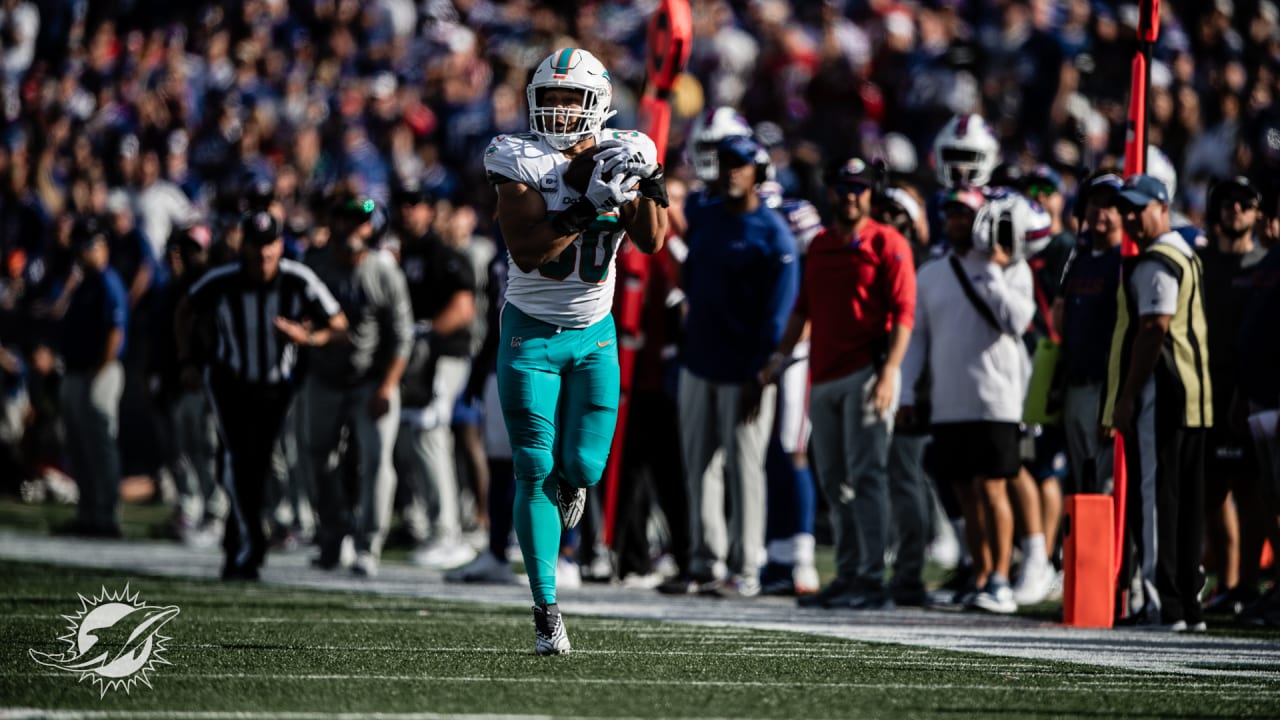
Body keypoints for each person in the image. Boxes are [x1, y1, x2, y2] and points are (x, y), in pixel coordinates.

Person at [483, 47, 668, 655]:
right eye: (551, 98)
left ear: (598, 103)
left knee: (585, 467)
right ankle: (546, 608)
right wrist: (590, 203)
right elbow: (530, 251)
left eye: (571, 98)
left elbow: (653, 242)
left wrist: (648, 185)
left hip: (594, 334)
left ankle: (575, 480)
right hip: (530, 333)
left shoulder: (623, 148)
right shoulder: (518, 159)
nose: (560, 110)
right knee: (532, 467)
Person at [762, 157, 916, 610]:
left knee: (867, 475)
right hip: (824, 375)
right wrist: (779, 357)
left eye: (860, 188)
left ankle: (872, 577)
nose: (852, 196)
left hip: (867, 372)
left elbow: (904, 313)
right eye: (845, 187)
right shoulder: (824, 244)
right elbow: (803, 309)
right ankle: (849, 574)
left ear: (871, 194)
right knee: (832, 478)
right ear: (832, 192)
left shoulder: (888, 243)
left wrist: (890, 372)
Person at [175, 211, 347, 580]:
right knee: (239, 462)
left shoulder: (298, 279)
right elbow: (185, 310)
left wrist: (308, 339)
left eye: (269, 245)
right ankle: (249, 542)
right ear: (245, 247)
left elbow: (340, 327)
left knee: (255, 465)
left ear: (279, 245)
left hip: (275, 387)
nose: (262, 255)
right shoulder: (223, 281)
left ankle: (240, 543)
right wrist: (187, 360)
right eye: (255, 247)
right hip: (230, 381)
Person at [902, 191, 1038, 614]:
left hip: (997, 399)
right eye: (950, 212)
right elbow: (917, 339)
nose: (955, 220)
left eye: (964, 213)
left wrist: (994, 272)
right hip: (949, 401)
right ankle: (980, 573)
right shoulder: (931, 275)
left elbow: (1017, 321)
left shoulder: (1013, 268)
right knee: (965, 493)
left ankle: (1001, 577)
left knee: (993, 488)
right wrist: (906, 391)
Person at [677, 135, 798, 599]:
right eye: (725, 163)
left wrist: (761, 373)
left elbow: (778, 313)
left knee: (745, 467)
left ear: (758, 172)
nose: (731, 172)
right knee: (698, 466)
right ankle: (705, 561)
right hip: (699, 358)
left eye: (741, 165)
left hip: (745, 367)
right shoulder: (705, 217)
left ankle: (746, 565)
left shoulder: (773, 232)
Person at [1102, 174, 1211, 632]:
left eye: (1136, 208)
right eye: (1125, 210)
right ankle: (1186, 603)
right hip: (1195, 396)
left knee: (1156, 499)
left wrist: (1126, 395)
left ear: (1161, 206)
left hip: (1164, 394)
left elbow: (1154, 327)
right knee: (1187, 503)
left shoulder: (1156, 260)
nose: (1129, 218)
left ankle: (1158, 603)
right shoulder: (1186, 253)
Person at [305, 197, 414, 579]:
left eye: (361, 221)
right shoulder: (315, 266)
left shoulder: (383, 272)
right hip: (324, 378)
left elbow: (403, 336)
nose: (353, 227)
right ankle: (332, 536)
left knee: (377, 462)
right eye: (346, 218)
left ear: (372, 228)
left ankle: (369, 543)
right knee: (318, 459)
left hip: (372, 379)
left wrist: (386, 386)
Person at [390, 181, 479, 570]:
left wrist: (424, 333)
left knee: (430, 432)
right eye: (404, 203)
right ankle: (432, 525)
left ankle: (448, 533)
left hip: (444, 356)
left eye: (417, 203)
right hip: (418, 358)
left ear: (430, 210)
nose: (409, 210)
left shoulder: (443, 254)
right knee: (417, 438)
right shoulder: (401, 252)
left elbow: (463, 309)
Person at [1199, 175, 1268, 617]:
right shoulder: (1203, 263)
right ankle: (1226, 583)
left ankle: (1247, 582)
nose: (1235, 209)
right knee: (1212, 490)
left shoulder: (1268, 264)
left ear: (1258, 212)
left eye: (1244, 202)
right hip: (1207, 386)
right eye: (1226, 202)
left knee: (1252, 488)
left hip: (1253, 387)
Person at [50, 223, 129, 538]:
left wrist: (100, 366)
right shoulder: (81, 282)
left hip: (99, 371)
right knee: (78, 444)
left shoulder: (108, 282)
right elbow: (56, 314)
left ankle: (106, 514)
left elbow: (115, 329)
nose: (84, 252)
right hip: (77, 370)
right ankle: (87, 511)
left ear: (103, 247)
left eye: (90, 246)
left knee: (100, 443)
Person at [1056, 172, 1125, 495]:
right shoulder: (1079, 259)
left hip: (1104, 390)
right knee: (1082, 485)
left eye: (1111, 205)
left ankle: (1113, 549)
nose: (1102, 212)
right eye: (1095, 204)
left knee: (1106, 486)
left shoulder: (1125, 262)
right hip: (1076, 385)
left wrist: (1113, 403)